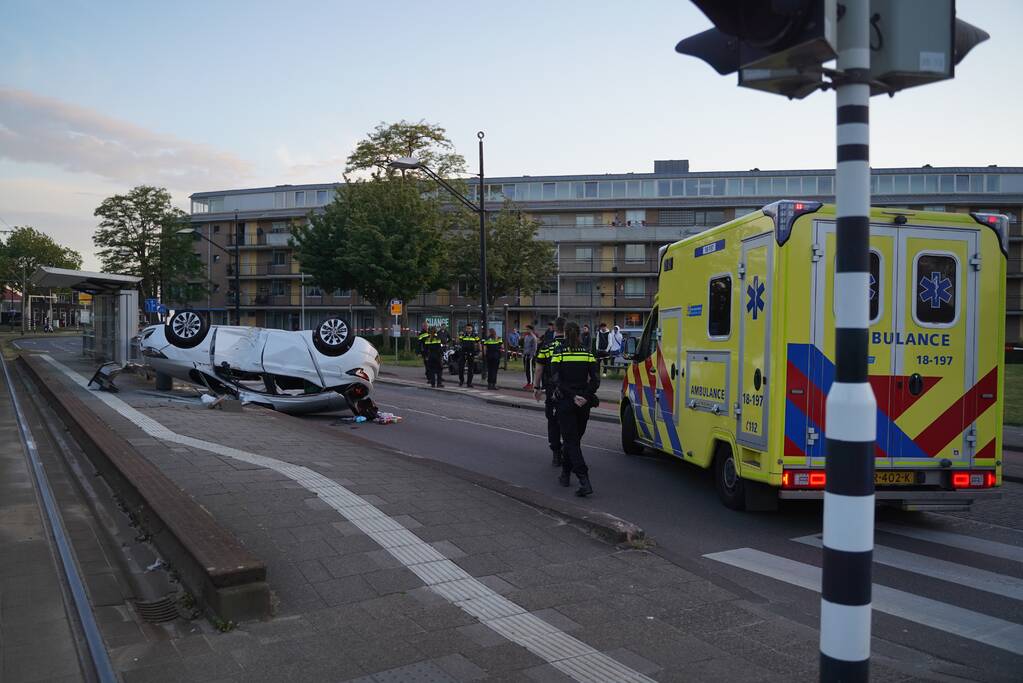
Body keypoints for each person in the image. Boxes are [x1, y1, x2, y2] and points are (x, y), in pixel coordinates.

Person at [550, 321, 599, 496]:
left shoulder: (559, 352)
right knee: (574, 441)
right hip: (584, 404)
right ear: (579, 334)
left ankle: (584, 480)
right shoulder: (587, 352)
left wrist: (572, 396)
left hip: (566, 402)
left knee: (571, 442)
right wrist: (585, 396)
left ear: (564, 332)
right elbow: (595, 380)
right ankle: (564, 475)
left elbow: (555, 378)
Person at [533, 316, 566, 467]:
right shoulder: (576, 346)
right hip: (572, 391)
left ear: (555, 329)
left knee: (553, 422)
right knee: (570, 421)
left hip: (552, 390)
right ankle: (568, 448)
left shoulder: (546, 347)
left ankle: (556, 453)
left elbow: (539, 368)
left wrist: (536, 387)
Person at [522, 325, 538, 390]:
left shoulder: (533, 337)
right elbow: (525, 346)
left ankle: (531, 383)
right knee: (527, 370)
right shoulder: (526, 337)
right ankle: (528, 382)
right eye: (526, 329)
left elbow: (534, 348)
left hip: (530, 356)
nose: (527, 331)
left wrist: (531, 356)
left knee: (530, 370)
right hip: (525, 355)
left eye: (528, 329)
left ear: (531, 330)